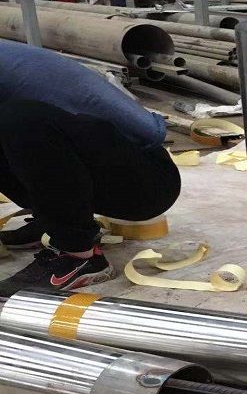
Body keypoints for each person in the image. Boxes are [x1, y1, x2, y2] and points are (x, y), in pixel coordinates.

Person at [0, 40, 180, 294]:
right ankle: (52, 220)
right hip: (101, 163)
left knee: (21, 120)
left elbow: (146, 134)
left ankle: (78, 255)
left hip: (147, 180)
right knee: (16, 121)